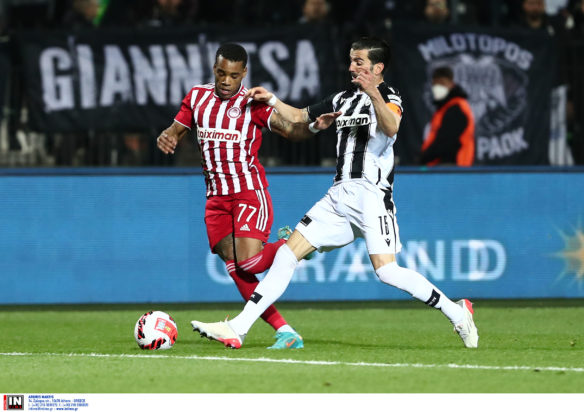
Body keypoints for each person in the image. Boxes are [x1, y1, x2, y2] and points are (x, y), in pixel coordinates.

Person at [190, 37, 479, 350]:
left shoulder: (389, 95)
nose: (351, 66)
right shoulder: (341, 98)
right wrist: (272, 100)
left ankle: (457, 311)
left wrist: (373, 93)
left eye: (359, 61)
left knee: (387, 272)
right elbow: (299, 116)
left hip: (371, 196)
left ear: (377, 68)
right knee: (286, 255)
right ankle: (238, 328)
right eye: (351, 60)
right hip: (339, 195)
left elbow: (392, 127)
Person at [156, 43, 339, 349]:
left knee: (250, 263)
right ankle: (284, 331)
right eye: (221, 73)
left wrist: (314, 128)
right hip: (216, 198)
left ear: (243, 74)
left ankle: (295, 243)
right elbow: (178, 127)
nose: (226, 80)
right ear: (214, 69)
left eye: (233, 75)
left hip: (247, 192)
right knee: (235, 265)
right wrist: (168, 135)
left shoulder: (252, 104)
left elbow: (290, 130)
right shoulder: (197, 97)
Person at [420, 66, 475, 167]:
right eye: (435, 84)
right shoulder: (444, 108)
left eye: (442, 83)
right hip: (441, 166)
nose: (437, 87)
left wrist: (423, 158)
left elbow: (445, 143)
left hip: (453, 167)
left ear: (451, 84)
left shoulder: (457, 108)